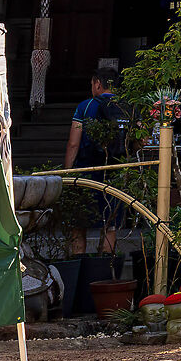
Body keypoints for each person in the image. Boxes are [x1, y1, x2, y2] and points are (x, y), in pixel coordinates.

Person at [64, 66, 124, 254]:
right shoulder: (126, 107)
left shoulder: (86, 106)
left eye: (92, 84)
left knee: (78, 224)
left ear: (98, 84)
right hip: (116, 173)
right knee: (111, 225)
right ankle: (106, 267)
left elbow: (73, 143)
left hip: (86, 173)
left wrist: (67, 172)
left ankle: (79, 265)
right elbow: (138, 142)